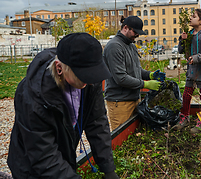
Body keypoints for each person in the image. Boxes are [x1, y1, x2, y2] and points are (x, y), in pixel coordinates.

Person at [7, 33, 119, 179]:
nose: (91, 81)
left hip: (62, 156)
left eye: (94, 73)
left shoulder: (89, 80)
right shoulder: (33, 96)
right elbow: (44, 155)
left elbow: (97, 122)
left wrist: (108, 168)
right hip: (31, 166)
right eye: (84, 75)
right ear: (59, 68)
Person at [103, 15, 165, 130]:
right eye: (135, 32)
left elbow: (136, 70)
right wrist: (145, 84)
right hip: (120, 102)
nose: (137, 35)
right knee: (122, 140)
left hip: (134, 99)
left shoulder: (131, 45)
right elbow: (121, 78)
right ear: (125, 28)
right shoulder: (114, 47)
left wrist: (150, 75)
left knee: (134, 135)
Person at [172, 9, 201, 134]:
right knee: (186, 96)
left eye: (194, 16)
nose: (190, 18)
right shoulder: (190, 34)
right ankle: (184, 118)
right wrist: (182, 40)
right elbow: (181, 50)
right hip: (192, 72)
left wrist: (197, 58)